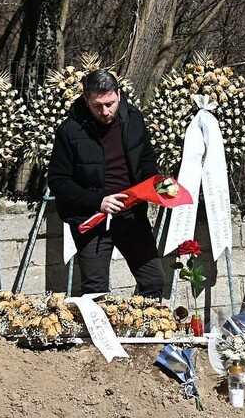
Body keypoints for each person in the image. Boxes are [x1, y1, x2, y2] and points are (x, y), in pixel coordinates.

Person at [48, 68, 164, 297]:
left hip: (132, 215)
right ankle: (99, 332)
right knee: (95, 290)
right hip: (92, 221)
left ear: (118, 94)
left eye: (110, 103)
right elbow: (58, 182)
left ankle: (143, 328)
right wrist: (98, 201)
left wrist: (153, 185)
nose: (105, 111)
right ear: (85, 99)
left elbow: (146, 158)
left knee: (153, 280)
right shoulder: (69, 130)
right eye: (97, 105)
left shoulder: (134, 119)